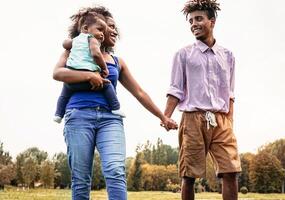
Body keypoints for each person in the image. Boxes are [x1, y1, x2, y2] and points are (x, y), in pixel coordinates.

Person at [53, 6, 178, 200]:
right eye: (108, 26)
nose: (113, 31)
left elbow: (139, 92)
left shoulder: (117, 61)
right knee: (81, 178)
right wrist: (88, 75)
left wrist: (163, 117)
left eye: (113, 27)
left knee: (115, 171)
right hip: (78, 116)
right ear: (92, 27)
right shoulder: (72, 51)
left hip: (110, 119)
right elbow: (58, 73)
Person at [163, 0, 241, 200]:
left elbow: (230, 94)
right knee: (189, 175)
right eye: (190, 21)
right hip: (192, 119)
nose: (193, 24)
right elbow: (175, 90)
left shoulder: (228, 56)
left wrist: (229, 122)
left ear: (212, 22)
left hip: (221, 120)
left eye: (199, 19)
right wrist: (166, 116)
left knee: (231, 171)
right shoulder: (183, 54)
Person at [54, 10, 124, 123]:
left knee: (64, 93)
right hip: (78, 111)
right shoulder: (92, 40)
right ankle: (116, 108)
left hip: (73, 84)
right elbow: (96, 54)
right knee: (107, 85)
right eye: (101, 29)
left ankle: (58, 114)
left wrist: (69, 43)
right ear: (86, 28)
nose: (102, 33)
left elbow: (65, 44)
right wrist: (103, 69)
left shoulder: (75, 43)